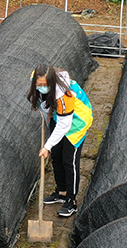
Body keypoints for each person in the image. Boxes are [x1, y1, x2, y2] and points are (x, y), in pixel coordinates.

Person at [27, 64, 93, 218]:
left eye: (45, 85)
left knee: (69, 160)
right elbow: (45, 107)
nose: (41, 87)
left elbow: (65, 125)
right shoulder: (35, 78)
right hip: (58, 115)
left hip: (77, 121)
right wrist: (49, 123)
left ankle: (71, 200)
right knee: (56, 155)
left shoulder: (65, 95)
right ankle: (61, 192)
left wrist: (47, 146)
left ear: (51, 82)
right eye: (39, 85)